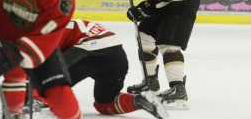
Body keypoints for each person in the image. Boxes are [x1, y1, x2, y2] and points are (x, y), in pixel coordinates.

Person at [25, 19, 167, 119]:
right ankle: (141, 100)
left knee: (50, 82)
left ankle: (37, 101)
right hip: (116, 57)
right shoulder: (54, 23)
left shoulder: (44, 31)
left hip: (89, 51)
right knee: (105, 103)